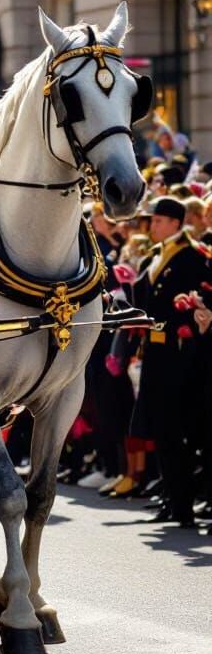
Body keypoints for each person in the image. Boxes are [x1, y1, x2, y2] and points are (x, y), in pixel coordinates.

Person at [128, 197, 212, 527]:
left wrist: (190, 320)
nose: (153, 225)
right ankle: (174, 500)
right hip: (156, 353)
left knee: (183, 430)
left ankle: (185, 504)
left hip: (182, 355)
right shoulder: (155, 255)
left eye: (160, 220)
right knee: (163, 430)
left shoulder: (194, 255)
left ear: (177, 223)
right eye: (153, 220)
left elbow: (202, 299)